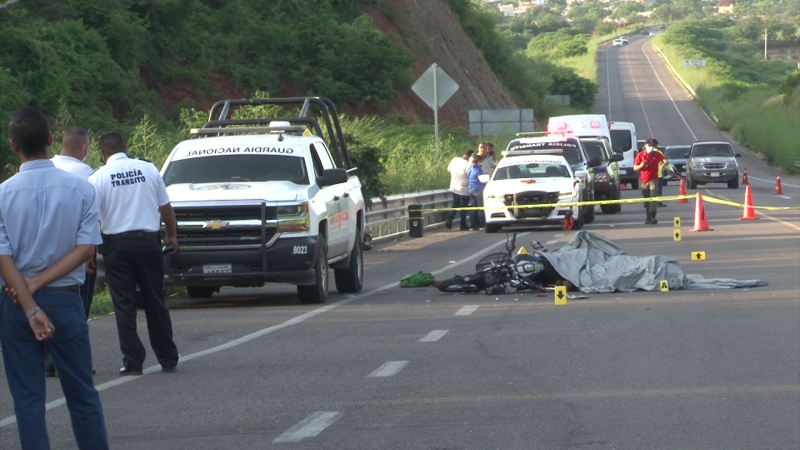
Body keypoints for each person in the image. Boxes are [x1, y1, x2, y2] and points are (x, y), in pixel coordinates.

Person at [0, 106, 109, 449]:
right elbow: (85, 250)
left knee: (28, 400)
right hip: (64, 298)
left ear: (13, 146)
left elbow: (3, 257)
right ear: (50, 139)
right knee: (81, 394)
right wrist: (37, 284)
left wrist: (29, 298)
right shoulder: (80, 189)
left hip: (14, 301)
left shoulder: (3, 194)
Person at [88, 131, 180, 376]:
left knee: (124, 304)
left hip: (116, 247)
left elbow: (92, 220)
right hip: (148, 243)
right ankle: (168, 357)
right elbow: (166, 208)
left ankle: (133, 361)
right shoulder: (148, 169)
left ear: (102, 154)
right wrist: (171, 235)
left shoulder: (97, 178)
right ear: (126, 147)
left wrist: (89, 253)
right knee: (155, 300)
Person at [45, 127, 97, 377]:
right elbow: (90, 217)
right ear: (85, 149)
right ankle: (72, 362)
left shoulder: (48, 166)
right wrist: (89, 255)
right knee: (77, 307)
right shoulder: (85, 173)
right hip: (75, 253)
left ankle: (47, 360)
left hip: (43, 254)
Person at [634, 138, 670, 224]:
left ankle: (653, 216)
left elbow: (666, 161)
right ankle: (648, 217)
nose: (651, 147)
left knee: (653, 197)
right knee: (646, 199)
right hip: (644, 180)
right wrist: (641, 165)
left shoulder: (656, 154)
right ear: (645, 146)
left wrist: (663, 165)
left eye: (653, 146)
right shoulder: (640, 155)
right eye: (649, 146)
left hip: (654, 179)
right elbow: (635, 168)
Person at [445, 149, 473, 230]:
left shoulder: (455, 160)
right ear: (470, 157)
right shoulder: (468, 164)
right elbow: (470, 176)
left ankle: (449, 220)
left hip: (454, 187)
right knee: (463, 208)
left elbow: (448, 170)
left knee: (455, 205)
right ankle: (463, 224)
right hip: (464, 190)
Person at [468, 154, 488, 231]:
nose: (481, 163)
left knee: (473, 208)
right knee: (480, 208)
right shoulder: (479, 170)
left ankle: (472, 225)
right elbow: (482, 180)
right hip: (479, 189)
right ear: (478, 162)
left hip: (471, 189)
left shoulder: (470, 168)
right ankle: (481, 225)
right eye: (480, 162)